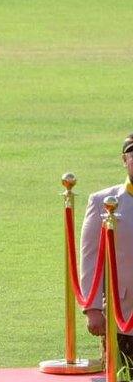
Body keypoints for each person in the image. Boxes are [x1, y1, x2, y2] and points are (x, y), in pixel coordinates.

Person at [80, 134, 133, 363]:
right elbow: (91, 257)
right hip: (123, 317)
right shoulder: (104, 201)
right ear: (124, 159)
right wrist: (92, 308)